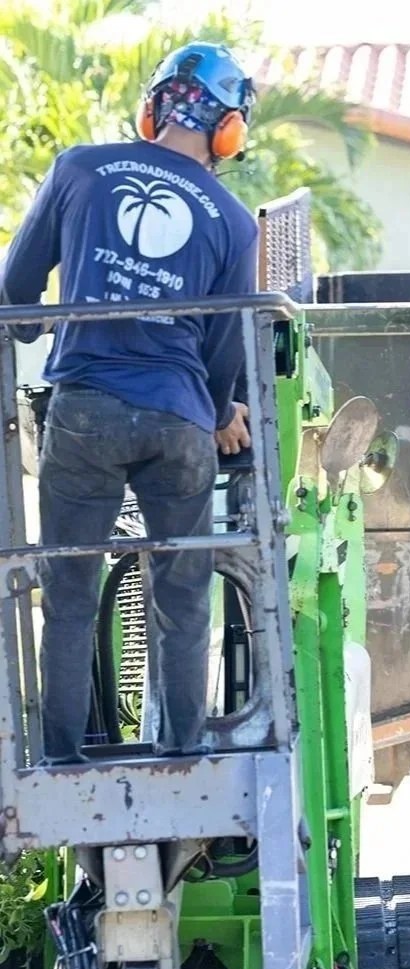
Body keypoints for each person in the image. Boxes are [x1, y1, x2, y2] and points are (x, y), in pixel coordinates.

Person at [0, 41, 259, 764]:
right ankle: (180, 756)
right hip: (178, 420)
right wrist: (219, 413)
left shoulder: (79, 169)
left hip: (85, 411)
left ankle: (59, 761)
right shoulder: (235, 220)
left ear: (155, 108)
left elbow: (15, 290)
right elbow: (224, 347)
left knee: (71, 592)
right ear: (227, 130)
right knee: (182, 600)